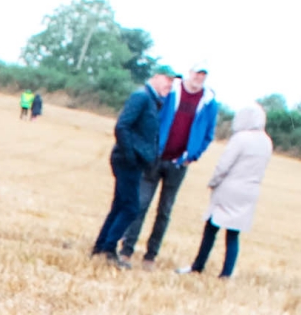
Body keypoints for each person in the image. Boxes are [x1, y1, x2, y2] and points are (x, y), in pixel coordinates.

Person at [92, 65, 175, 268]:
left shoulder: (154, 101)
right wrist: (130, 154)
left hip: (135, 160)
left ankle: (101, 247)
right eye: (167, 80)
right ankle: (108, 248)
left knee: (121, 205)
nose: (169, 85)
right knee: (130, 207)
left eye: (173, 83)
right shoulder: (142, 97)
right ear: (155, 77)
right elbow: (122, 125)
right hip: (127, 160)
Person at [135, 67, 217, 265]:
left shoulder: (209, 102)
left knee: (165, 210)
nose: (199, 77)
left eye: (203, 75)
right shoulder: (172, 92)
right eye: (197, 73)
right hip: (156, 157)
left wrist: (193, 156)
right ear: (190, 72)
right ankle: (127, 247)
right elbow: (155, 117)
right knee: (141, 203)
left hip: (179, 164)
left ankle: (151, 255)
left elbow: (208, 134)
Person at [189, 103, 272, 279]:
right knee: (233, 233)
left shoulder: (240, 138)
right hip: (250, 191)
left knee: (211, 227)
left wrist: (213, 182)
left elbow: (224, 165)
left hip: (230, 188)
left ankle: (198, 265)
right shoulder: (266, 141)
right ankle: (226, 273)